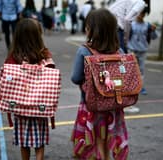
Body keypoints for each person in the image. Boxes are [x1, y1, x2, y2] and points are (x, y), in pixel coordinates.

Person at [70, 8, 129, 160]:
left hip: (91, 105)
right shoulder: (119, 51)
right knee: (106, 139)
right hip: (114, 105)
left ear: (91, 30)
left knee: (95, 141)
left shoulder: (84, 51)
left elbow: (76, 78)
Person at [4, 18, 55, 160]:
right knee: (39, 142)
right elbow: (51, 75)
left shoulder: (14, 57)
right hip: (40, 105)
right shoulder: (44, 54)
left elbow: (7, 80)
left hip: (21, 106)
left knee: (24, 142)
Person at [128, 8, 158, 95]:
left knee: (141, 70)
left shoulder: (147, 25)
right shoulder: (131, 24)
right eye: (140, 13)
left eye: (143, 14)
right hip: (132, 50)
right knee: (131, 69)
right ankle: (131, 86)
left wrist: (153, 30)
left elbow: (154, 37)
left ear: (145, 15)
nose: (141, 16)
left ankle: (140, 87)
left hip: (143, 50)